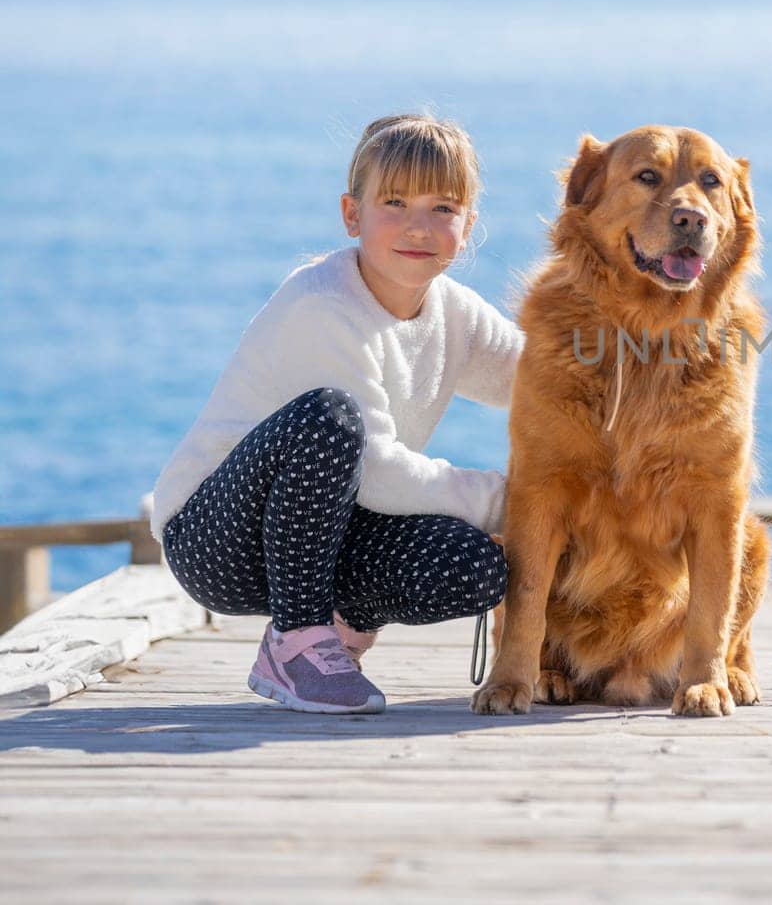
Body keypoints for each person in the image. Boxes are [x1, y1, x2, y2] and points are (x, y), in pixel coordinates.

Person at [150, 114, 523, 714]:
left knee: (475, 568)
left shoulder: (457, 314)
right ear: (353, 214)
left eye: (442, 208)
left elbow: (546, 384)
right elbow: (381, 473)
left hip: (329, 532)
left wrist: (650, 361)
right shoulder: (322, 305)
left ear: (469, 225)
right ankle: (295, 640)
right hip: (218, 539)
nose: (417, 227)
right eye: (394, 202)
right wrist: (521, 501)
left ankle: (342, 622)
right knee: (331, 419)